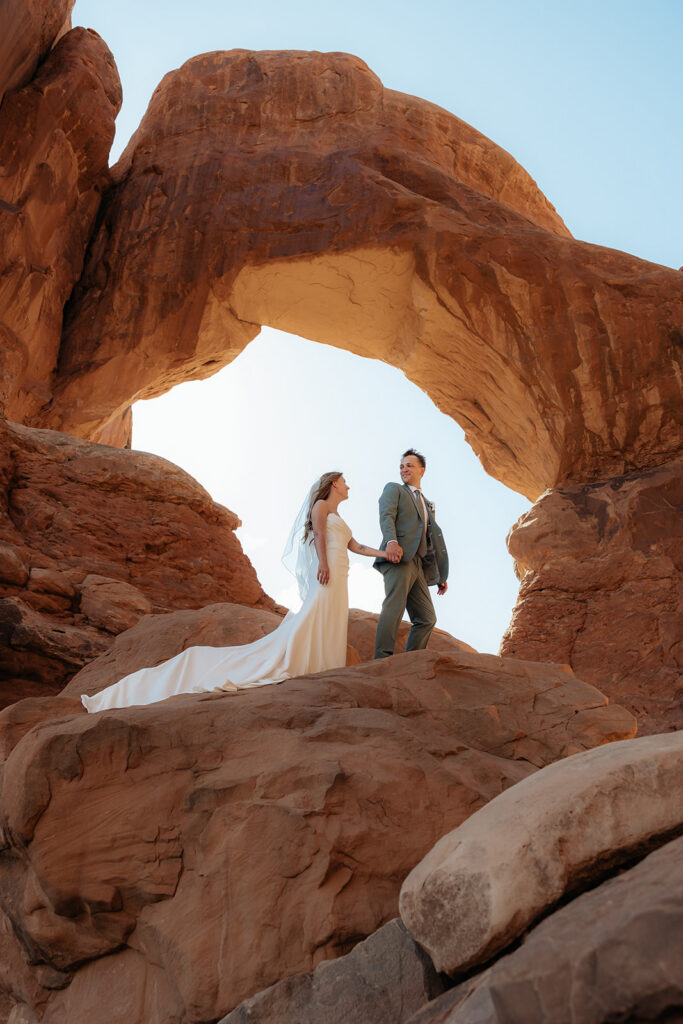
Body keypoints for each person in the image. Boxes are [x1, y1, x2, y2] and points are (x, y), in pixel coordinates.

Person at [81, 472, 395, 713]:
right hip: (328, 574)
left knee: (331, 620)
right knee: (315, 617)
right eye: (344, 481)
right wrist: (323, 566)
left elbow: (356, 547)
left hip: (342, 575)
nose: (348, 486)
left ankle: (324, 666)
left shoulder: (341, 516)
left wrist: (386, 555)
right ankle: (306, 663)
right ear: (333, 484)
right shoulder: (322, 506)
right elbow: (322, 537)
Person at [373, 449, 449, 659]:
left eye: (409, 465)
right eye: (401, 466)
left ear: (422, 471)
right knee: (394, 605)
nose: (404, 469)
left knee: (427, 618)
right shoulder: (395, 489)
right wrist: (391, 542)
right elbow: (386, 515)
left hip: (418, 565)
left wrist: (440, 575)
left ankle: (409, 661)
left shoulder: (427, 504)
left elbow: (429, 538)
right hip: (398, 556)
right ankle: (381, 659)